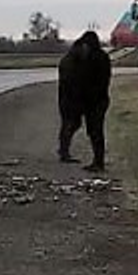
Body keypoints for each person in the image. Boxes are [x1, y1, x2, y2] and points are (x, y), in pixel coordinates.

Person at [57, 30, 112, 171]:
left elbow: (79, 80)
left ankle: (96, 161)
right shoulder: (95, 57)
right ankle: (97, 161)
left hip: (87, 100)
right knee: (91, 129)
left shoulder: (80, 57)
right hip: (89, 100)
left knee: (88, 129)